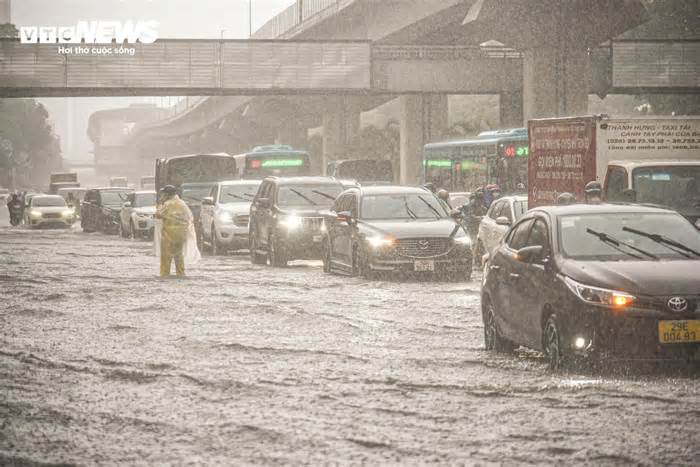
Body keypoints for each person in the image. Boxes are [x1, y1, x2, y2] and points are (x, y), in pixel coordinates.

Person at [155, 185, 194, 277]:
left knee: (166, 258)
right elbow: (189, 218)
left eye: (164, 193)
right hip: (181, 235)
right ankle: (181, 274)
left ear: (167, 194)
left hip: (168, 235)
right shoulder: (182, 203)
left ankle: (164, 275)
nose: (162, 195)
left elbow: (158, 214)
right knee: (179, 257)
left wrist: (160, 204)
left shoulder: (167, 204)